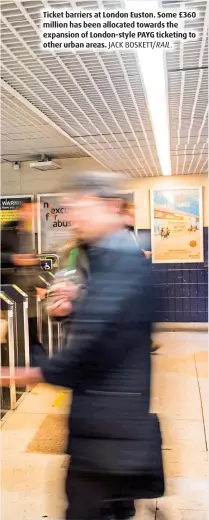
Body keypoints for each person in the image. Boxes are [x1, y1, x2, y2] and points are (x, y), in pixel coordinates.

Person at [1, 173, 164, 520]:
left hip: (109, 432)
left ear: (111, 206)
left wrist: (34, 370)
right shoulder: (100, 257)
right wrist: (73, 304)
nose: (73, 216)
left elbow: (97, 345)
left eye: (80, 206)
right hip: (108, 429)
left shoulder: (124, 265)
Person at [0, 202, 47, 367]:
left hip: (28, 294)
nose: (34, 214)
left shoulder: (29, 234)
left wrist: (41, 285)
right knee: (20, 334)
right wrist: (13, 259)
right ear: (21, 210)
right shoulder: (6, 231)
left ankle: (36, 367)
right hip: (10, 293)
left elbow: (34, 264)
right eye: (31, 209)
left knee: (30, 332)